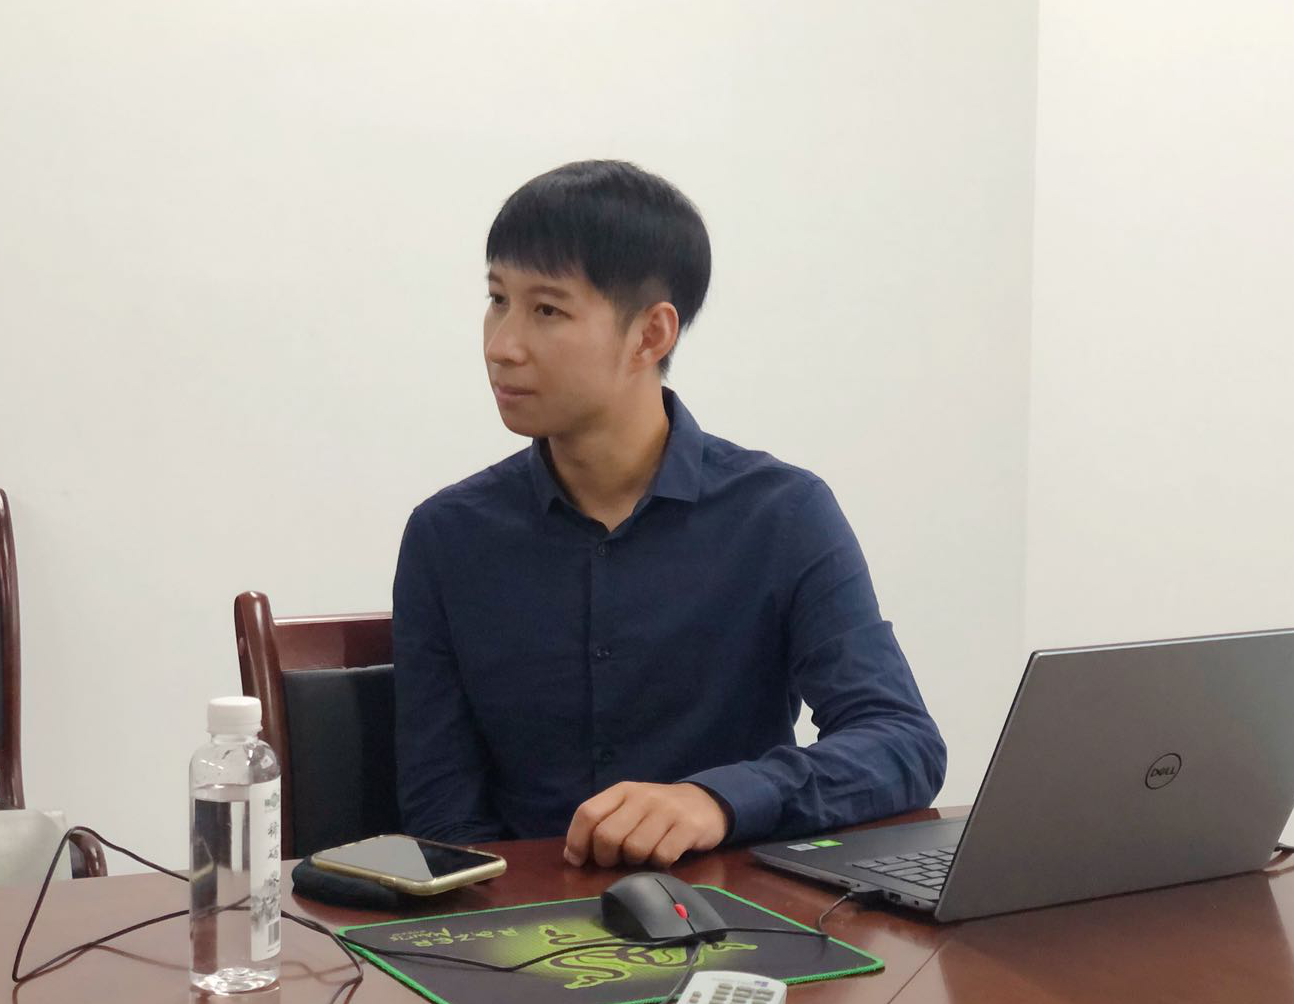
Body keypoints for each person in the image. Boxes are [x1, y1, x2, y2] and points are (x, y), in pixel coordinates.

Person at [393, 160, 945, 869]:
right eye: (497, 299)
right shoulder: (448, 537)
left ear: (651, 335)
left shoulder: (781, 514)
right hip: (524, 916)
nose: (502, 345)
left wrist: (718, 799)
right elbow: (444, 816)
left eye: (547, 310)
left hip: (735, 909)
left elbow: (901, 741)